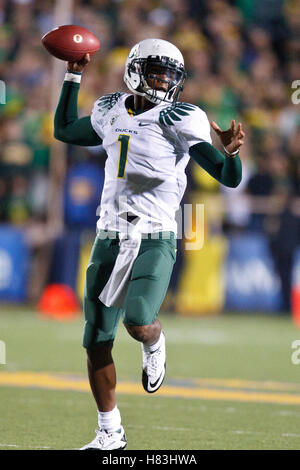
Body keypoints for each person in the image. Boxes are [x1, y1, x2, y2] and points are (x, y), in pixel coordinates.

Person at [54, 38, 244, 450]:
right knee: (96, 337)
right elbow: (65, 129)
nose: (163, 82)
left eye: (170, 75)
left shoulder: (182, 116)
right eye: (156, 72)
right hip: (110, 233)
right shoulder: (109, 109)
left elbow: (227, 177)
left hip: (155, 234)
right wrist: (73, 74)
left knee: (137, 320)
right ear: (136, 71)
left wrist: (229, 154)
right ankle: (110, 431)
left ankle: (155, 342)